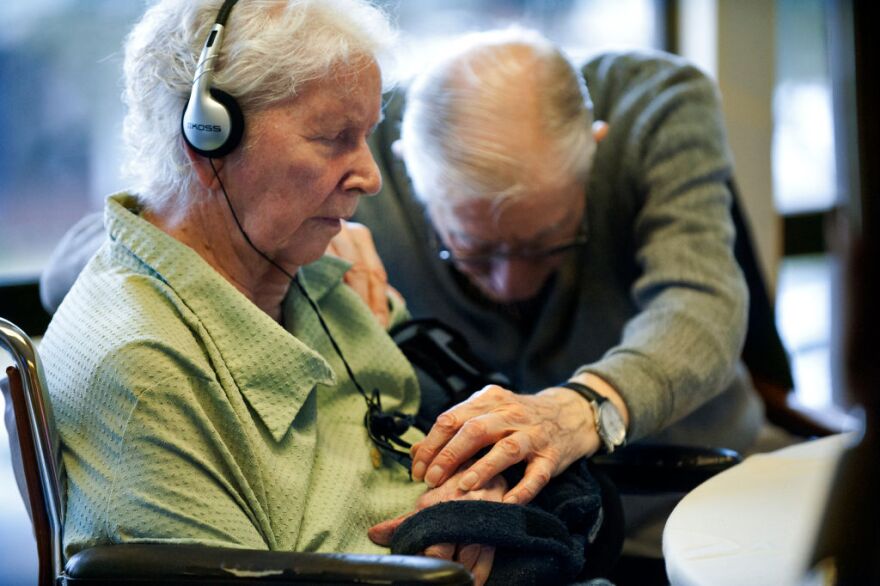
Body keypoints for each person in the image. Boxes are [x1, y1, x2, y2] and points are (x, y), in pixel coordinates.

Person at [37, 2, 514, 582]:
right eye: (334, 138)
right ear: (209, 141)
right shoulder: (146, 374)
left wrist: (481, 486)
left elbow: (435, 428)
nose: (370, 177)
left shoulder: (306, 265)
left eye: (366, 136)